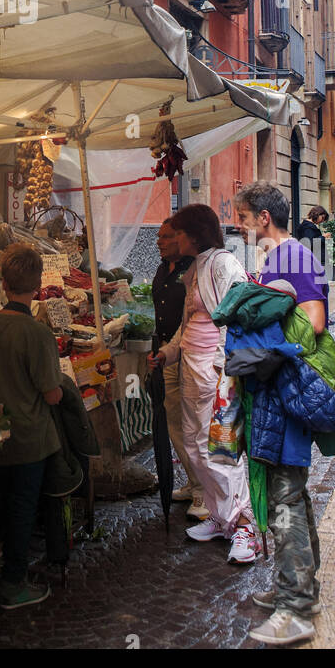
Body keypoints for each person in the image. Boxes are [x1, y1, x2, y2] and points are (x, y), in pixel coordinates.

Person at [234, 182, 329, 646]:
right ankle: (301, 589)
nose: (239, 225)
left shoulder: (292, 257)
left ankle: (296, 610)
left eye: (243, 217)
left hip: (286, 394)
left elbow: (313, 321)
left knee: (285, 497)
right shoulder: (277, 257)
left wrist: (263, 340)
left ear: (263, 218)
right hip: (276, 393)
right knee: (292, 492)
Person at [147, 204, 259, 565]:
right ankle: (220, 514)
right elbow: (190, 322)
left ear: (193, 235)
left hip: (215, 374)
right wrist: (169, 352)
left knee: (223, 447)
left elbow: (238, 315)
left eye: (177, 232)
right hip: (193, 371)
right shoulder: (194, 269)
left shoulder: (224, 264)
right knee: (196, 446)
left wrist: (222, 367)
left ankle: (245, 526)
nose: (172, 238)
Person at [0, 243, 63, 609]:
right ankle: (13, 582)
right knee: (22, 508)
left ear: (4, 284)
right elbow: (52, 394)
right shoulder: (37, 333)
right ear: (37, 286)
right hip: (29, 438)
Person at [151, 220, 203, 518]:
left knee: (193, 425)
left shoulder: (193, 268)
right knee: (175, 424)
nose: (160, 242)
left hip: (189, 352)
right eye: (158, 237)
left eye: (167, 237)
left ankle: (203, 490)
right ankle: (193, 481)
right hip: (167, 354)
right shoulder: (162, 268)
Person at [295, 205, 329, 271]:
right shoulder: (307, 227)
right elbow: (309, 243)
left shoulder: (307, 226)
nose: (322, 221)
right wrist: (323, 237)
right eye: (322, 218)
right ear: (317, 214)